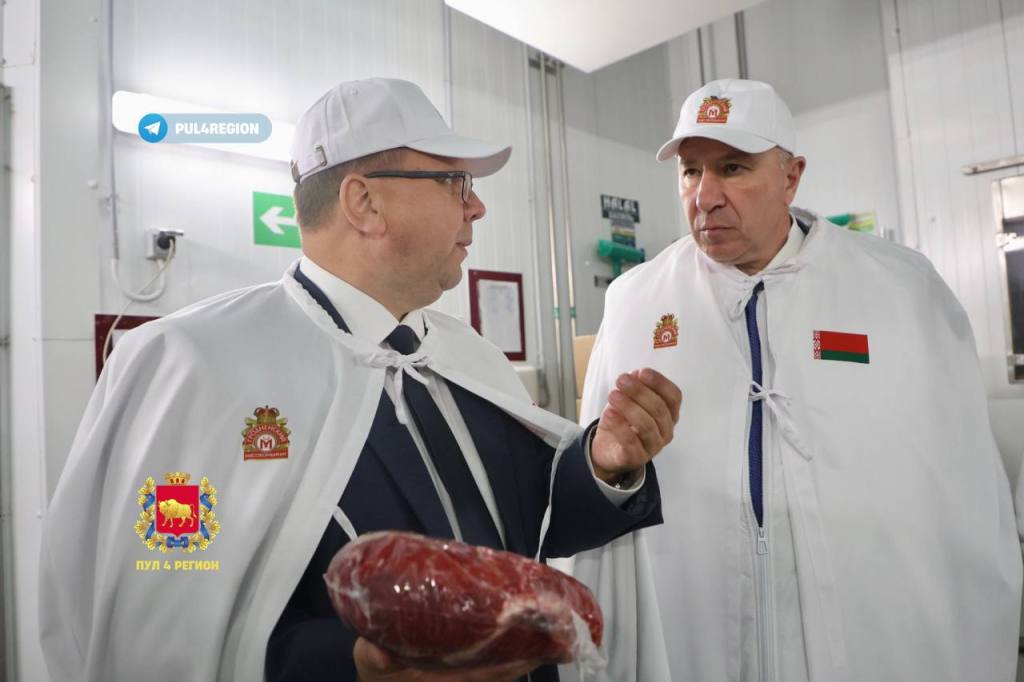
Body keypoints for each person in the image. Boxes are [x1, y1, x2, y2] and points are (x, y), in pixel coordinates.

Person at [38, 78, 682, 682]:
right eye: (454, 182)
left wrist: (604, 464)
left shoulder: (469, 359)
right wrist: (353, 665)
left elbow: (527, 524)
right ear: (364, 202)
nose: (478, 206)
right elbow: (156, 625)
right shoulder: (196, 369)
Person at [564, 78, 1022, 682]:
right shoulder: (636, 302)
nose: (706, 196)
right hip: (694, 632)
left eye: (733, 168)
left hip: (867, 640)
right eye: (691, 171)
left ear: (791, 176)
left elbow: (964, 491)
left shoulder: (901, 291)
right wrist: (608, 466)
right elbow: (595, 482)